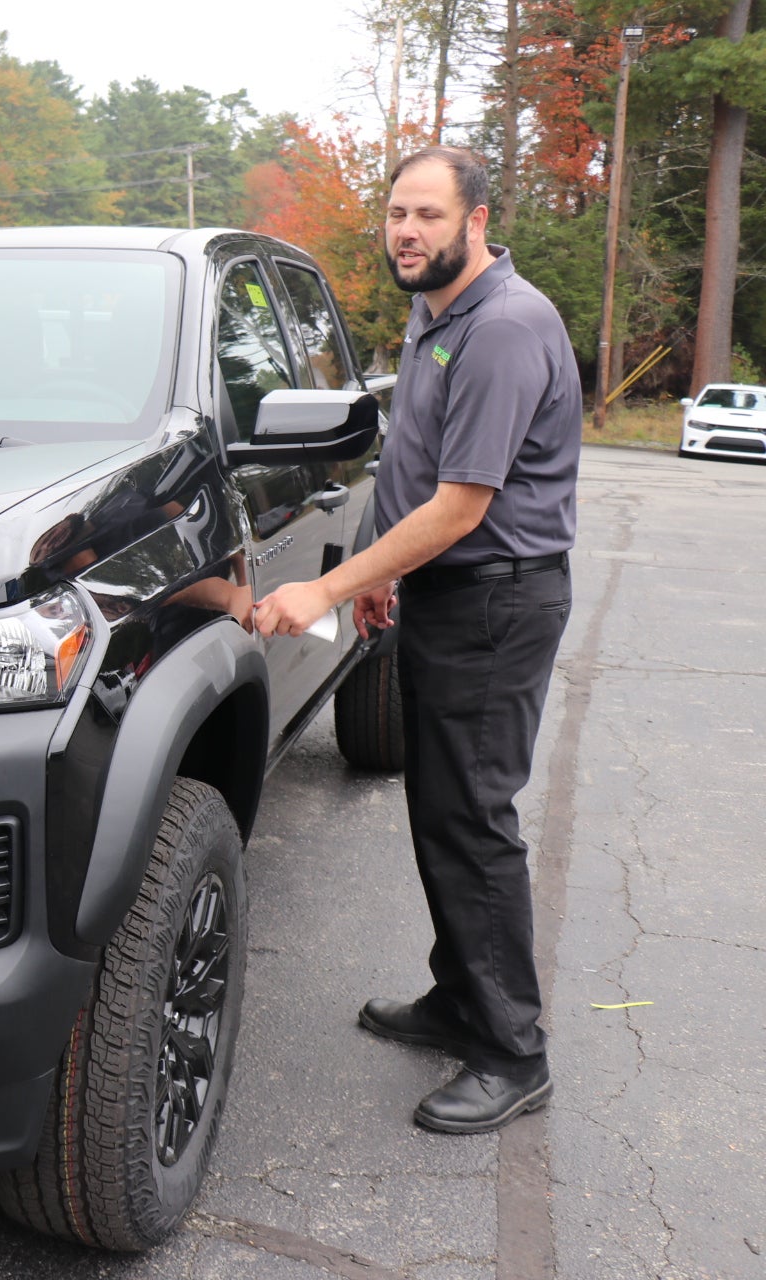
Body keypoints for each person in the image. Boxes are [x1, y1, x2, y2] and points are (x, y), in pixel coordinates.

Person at [252, 145, 581, 1134]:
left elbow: (459, 507)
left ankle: (513, 1049)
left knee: (474, 818)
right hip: (449, 594)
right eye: (397, 212)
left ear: (476, 220)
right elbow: (413, 457)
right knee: (442, 809)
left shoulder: (505, 329)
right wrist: (386, 572)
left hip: (495, 602)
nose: (407, 231)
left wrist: (334, 580)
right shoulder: (439, 309)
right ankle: (457, 997)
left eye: (428, 215)